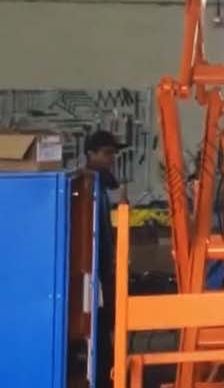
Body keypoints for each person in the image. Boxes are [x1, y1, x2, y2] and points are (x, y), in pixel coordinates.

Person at [84, 130, 126, 388]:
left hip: (104, 268)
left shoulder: (102, 182)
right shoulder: (88, 183)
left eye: (113, 154)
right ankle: (102, 376)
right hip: (95, 270)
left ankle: (109, 371)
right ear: (90, 154)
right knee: (99, 325)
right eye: (106, 153)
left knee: (107, 322)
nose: (111, 159)